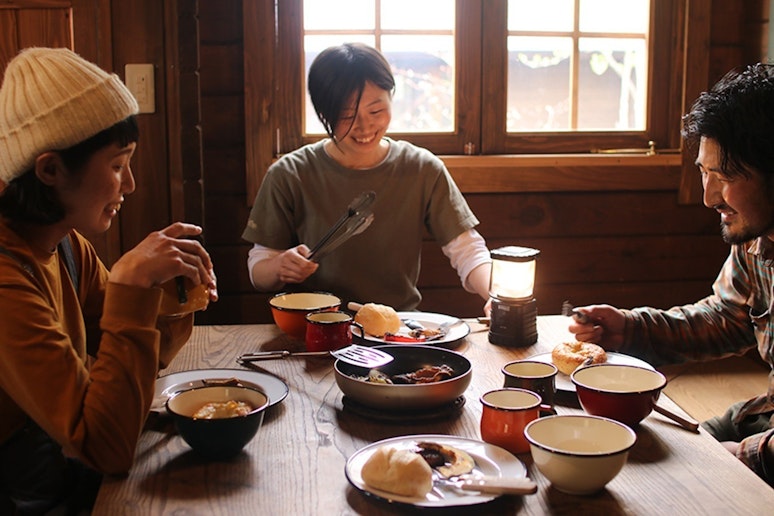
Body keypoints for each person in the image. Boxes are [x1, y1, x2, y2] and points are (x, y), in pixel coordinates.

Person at [0, 47, 217, 513]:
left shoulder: (64, 244)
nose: (130, 184)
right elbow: (104, 446)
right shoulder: (6, 279)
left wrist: (175, 293)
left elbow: (134, 369)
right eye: (118, 165)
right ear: (51, 170)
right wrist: (130, 286)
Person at [568, 63, 774, 487]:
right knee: (642, 452)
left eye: (726, 177)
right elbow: (727, 317)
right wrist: (631, 329)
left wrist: (739, 459)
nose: (708, 196)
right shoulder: (757, 239)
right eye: (704, 171)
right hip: (763, 412)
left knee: (688, 476)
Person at [242, 42, 491, 313]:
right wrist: (280, 267)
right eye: (347, 116)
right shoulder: (290, 173)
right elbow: (258, 268)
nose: (365, 127)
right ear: (323, 112)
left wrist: (497, 294)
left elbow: (467, 250)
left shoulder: (422, 168)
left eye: (375, 110)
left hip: (397, 327)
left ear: (391, 97)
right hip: (316, 326)